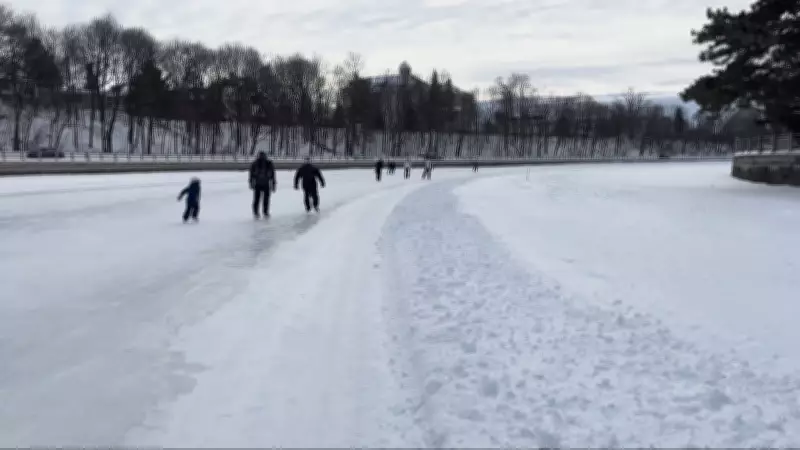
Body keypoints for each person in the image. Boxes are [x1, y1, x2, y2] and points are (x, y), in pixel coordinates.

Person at [249, 151, 276, 218]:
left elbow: (251, 175)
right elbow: (272, 175)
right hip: (262, 184)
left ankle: (259, 212)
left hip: (261, 184)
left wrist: (251, 183)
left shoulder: (257, 163)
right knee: (262, 199)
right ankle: (263, 212)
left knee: (258, 199)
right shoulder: (260, 163)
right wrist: (273, 184)